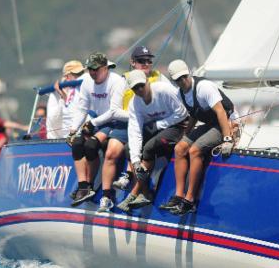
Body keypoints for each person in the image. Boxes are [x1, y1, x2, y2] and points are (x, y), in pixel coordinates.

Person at [165, 59, 241, 215]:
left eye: (184, 76)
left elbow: (220, 112)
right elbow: (194, 114)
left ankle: (190, 199)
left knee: (195, 150)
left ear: (189, 73)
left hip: (226, 122)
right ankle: (179, 195)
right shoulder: (180, 94)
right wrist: (186, 135)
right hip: (211, 124)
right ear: (174, 81)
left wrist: (227, 139)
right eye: (178, 79)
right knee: (180, 148)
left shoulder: (203, 87)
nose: (183, 81)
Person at [115, 70, 189, 213]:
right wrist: (136, 161)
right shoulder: (134, 103)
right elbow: (134, 131)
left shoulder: (164, 90)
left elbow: (182, 113)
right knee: (129, 149)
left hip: (179, 125)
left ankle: (137, 194)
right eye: (135, 88)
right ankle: (145, 192)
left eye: (142, 85)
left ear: (148, 82)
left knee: (149, 148)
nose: (140, 90)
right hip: (157, 128)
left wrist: (158, 125)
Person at [67, 52, 128, 209]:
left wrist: (92, 123)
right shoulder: (87, 81)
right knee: (77, 144)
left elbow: (114, 111)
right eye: (90, 69)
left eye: (96, 69)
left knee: (91, 146)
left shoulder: (116, 81)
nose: (92, 73)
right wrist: (73, 129)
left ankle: (91, 184)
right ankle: (83, 186)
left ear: (105, 68)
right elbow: (82, 107)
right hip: (100, 122)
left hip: (115, 121)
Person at [113, 45, 174, 192]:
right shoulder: (124, 80)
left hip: (153, 122)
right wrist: (137, 118)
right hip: (130, 122)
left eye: (149, 61)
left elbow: (175, 98)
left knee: (145, 144)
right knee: (114, 150)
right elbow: (114, 110)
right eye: (141, 61)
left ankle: (133, 181)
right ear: (133, 62)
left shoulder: (159, 77)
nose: (146, 64)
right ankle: (111, 191)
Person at [46, 60, 85, 140]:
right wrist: (62, 97)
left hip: (81, 135)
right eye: (77, 74)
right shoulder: (55, 95)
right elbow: (52, 120)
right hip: (61, 138)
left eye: (81, 73)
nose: (81, 76)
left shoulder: (85, 86)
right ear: (67, 77)